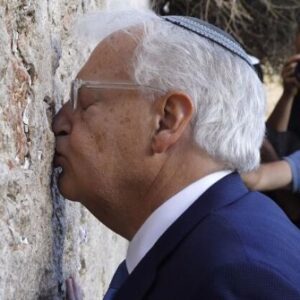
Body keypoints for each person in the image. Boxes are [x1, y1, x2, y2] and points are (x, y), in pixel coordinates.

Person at [52, 9, 300, 299]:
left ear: (167, 120)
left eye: (85, 101)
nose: (58, 123)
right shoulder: (218, 239)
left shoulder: (239, 278)